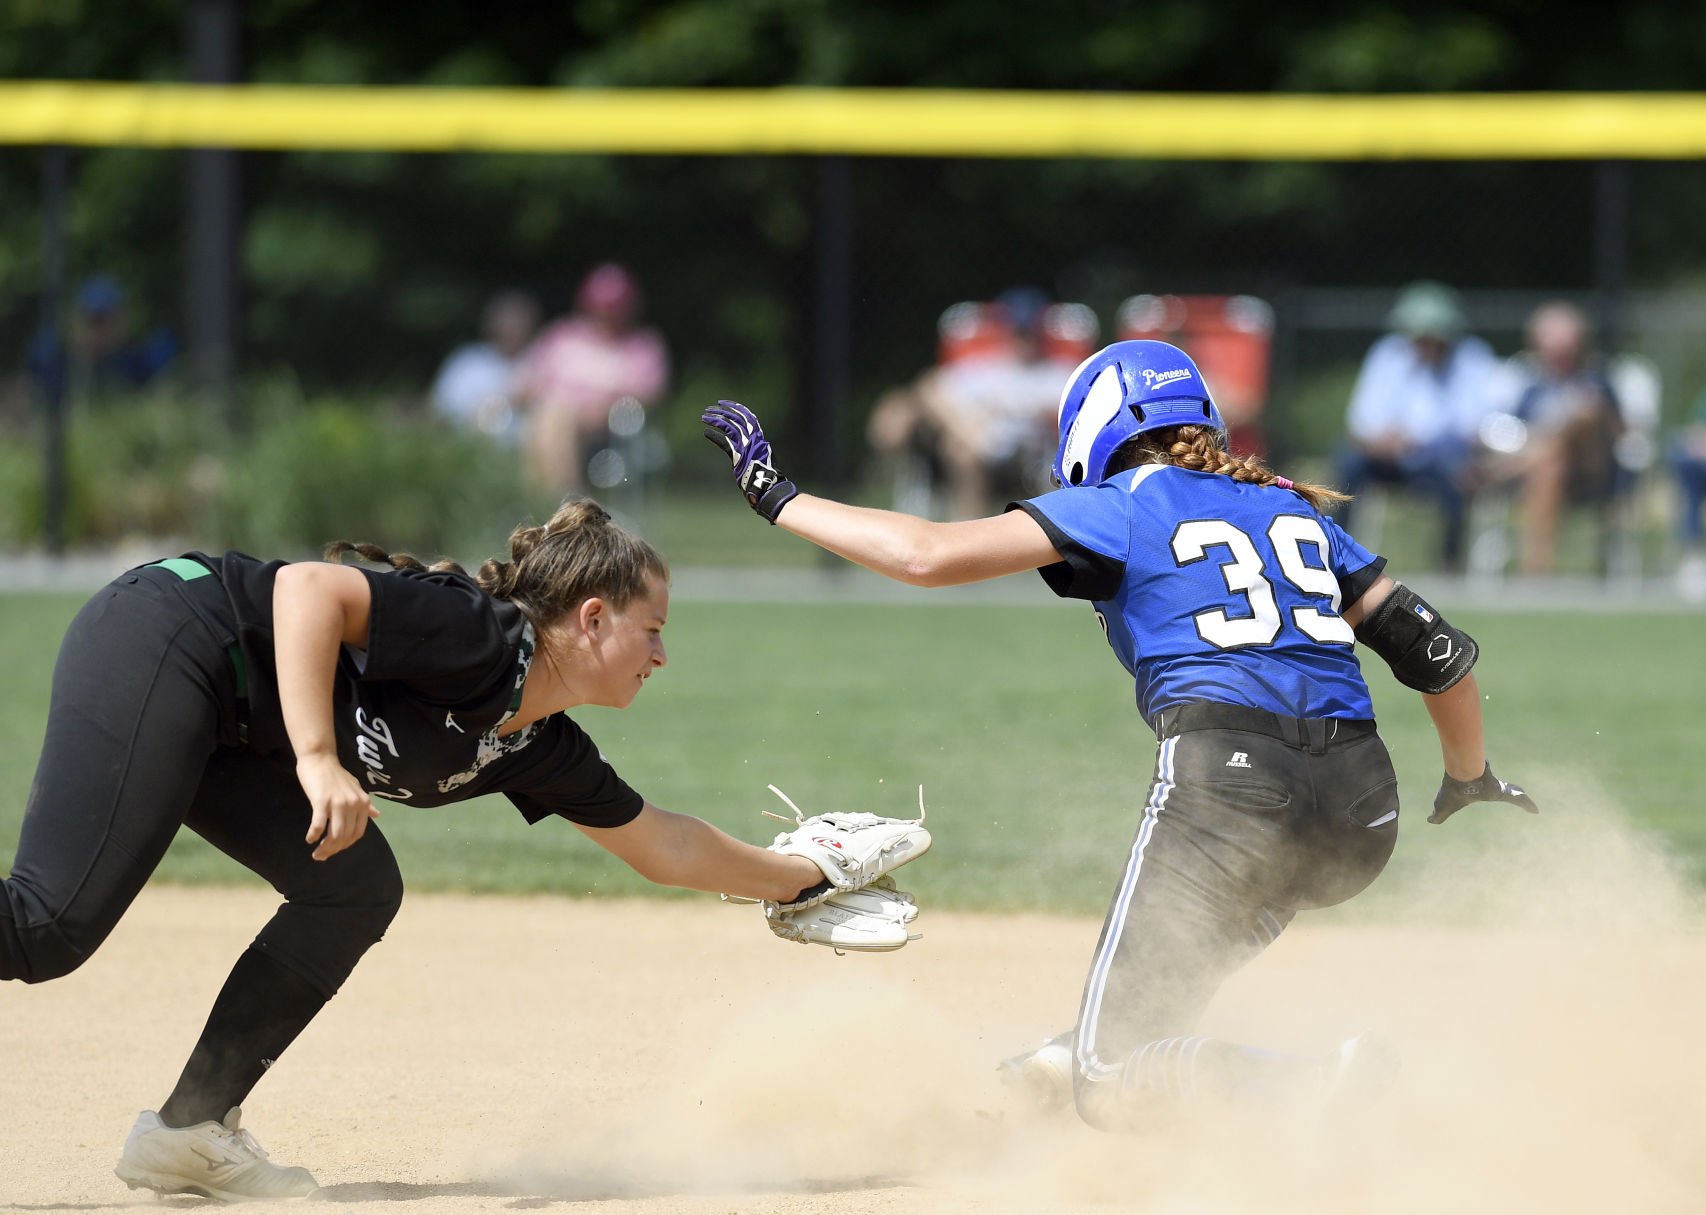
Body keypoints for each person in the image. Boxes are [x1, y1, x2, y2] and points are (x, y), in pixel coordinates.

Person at [701, 340, 1538, 1132]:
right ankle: (1038, 1080)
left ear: (1096, 432)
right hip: (1363, 810)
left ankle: (1311, 1084)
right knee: (1149, 1010)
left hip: (1229, 781)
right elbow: (1440, 655)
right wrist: (1468, 774)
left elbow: (926, 554)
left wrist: (779, 496)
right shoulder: (1293, 506)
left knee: (1110, 1077)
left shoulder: (1122, 502)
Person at [1, 499, 843, 1200]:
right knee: (46, 927)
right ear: (593, 617)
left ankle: (189, 1129)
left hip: (235, 723)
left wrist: (804, 876)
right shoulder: (479, 636)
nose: (663, 652)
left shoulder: (539, 744)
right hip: (171, 629)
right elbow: (305, 590)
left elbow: (667, 844)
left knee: (356, 884)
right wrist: (318, 759)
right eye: (652, 627)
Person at [867, 287, 1087, 519]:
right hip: (975, 440)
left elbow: (1071, 412)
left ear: (1040, 333)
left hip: (1026, 458)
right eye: (1018, 331)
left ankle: (963, 531)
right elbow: (931, 388)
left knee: (960, 450)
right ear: (1006, 331)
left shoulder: (1057, 373)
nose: (1024, 339)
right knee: (903, 406)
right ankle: (887, 467)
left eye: (1029, 332)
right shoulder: (986, 368)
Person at [1336, 281, 1500, 570]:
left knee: (1458, 472)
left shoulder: (1472, 358)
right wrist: (1384, 441)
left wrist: (1423, 441)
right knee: (1349, 462)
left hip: (1445, 458)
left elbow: (1476, 425)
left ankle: (1449, 563)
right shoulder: (1387, 354)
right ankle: (1339, 552)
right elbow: (1361, 422)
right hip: (1390, 458)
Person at [1478, 301, 1624, 576]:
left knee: (1584, 412)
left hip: (1592, 469)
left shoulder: (1597, 378)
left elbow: (1618, 430)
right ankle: (1536, 570)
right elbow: (1517, 433)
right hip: (1546, 472)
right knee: (1550, 460)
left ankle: (1533, 569)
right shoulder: (1531, 387)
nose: (1560, 352)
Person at [513, 263, 670, 495]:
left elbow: (649, 395)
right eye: (600, 308)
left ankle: (557, 503)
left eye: (614, 309)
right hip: (552, 418)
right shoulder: (563, 336)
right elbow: (527, 385)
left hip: (610, 431)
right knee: (552, 419)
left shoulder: (642, 346)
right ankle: (563, 503)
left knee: (553, 419)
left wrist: (599, 407)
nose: (606, 316)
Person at [27, 273, 178, 408]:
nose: (100, 330)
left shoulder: (138, 363)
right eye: (94, 320)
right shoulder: (58, 366)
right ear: (77, 321)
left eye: (107, 320)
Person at [427, 288, 541, 443]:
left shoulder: (541, 362)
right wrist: (508, 401)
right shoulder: (467, 362)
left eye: (519, 322)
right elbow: (443, 412)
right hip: (468, 446)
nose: (512, 329)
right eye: (506, 322)